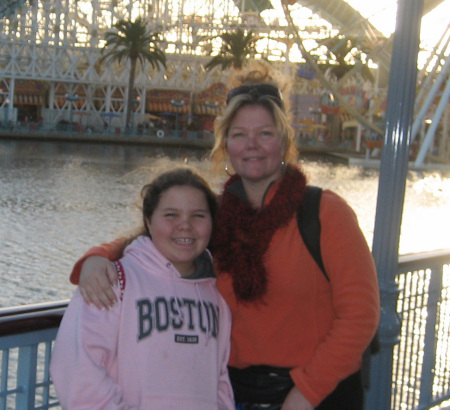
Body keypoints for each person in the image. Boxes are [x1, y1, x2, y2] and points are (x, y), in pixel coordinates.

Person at [68, 61, 380, 410]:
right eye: (239, 134)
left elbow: (361, 315)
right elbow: (151, 238)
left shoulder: (324, 213)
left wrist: (304, 395)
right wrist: (97, 259)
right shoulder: (218, 218)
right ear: (225, 145)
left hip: (319, 394)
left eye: (265, 133)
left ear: (285, 141)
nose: (252, 145)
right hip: (239, 394)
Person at [50, 167, 234, 410]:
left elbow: (219, 380)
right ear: (149, 220)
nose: (185, 226)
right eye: (171, 215)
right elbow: (77, 368)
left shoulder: (217, 295)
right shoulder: (113, 281)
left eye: (198, 215)